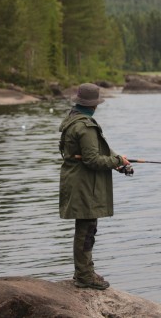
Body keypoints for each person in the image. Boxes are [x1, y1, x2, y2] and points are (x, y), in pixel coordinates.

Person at [59, 82, 133, 290]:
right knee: (86, 229)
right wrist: (118, 161)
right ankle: (84, 276)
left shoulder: (72, 120)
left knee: (85, 227)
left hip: (76, 180)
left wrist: (118, 161)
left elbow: (94, 153)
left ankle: (85, 270)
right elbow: (92, 160)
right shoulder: (86, 126)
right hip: (84, 184)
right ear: (94, 105)